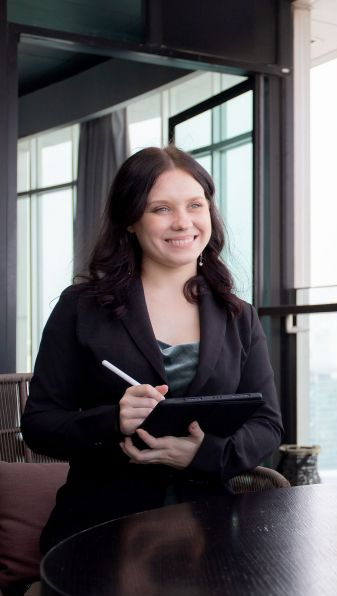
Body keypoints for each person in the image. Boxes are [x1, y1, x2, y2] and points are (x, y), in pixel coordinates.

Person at [21, 146, 283, 554]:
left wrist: (201, 454)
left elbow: (267, 423)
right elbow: (38, 425)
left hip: (212, 532)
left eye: (195, 205)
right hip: (101, 530)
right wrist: (113, 420)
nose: (183, 222)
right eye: (160, 208)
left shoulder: (238, 315)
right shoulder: (80, 306)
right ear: (130, 220)